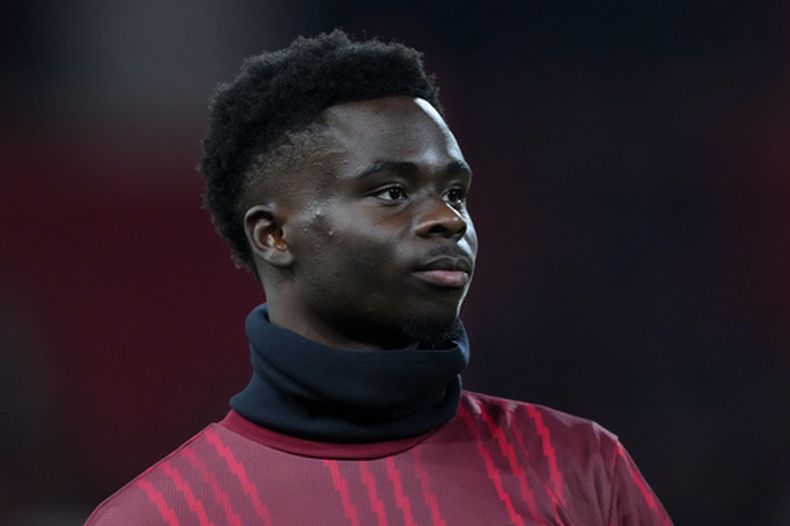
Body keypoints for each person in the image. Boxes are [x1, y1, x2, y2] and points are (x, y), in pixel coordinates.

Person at [86, 30, 672, 525]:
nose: (448, 219)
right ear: (273, 235)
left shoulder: (582, 467)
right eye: (391, 192)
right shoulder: (163, 515)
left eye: (455, 193)